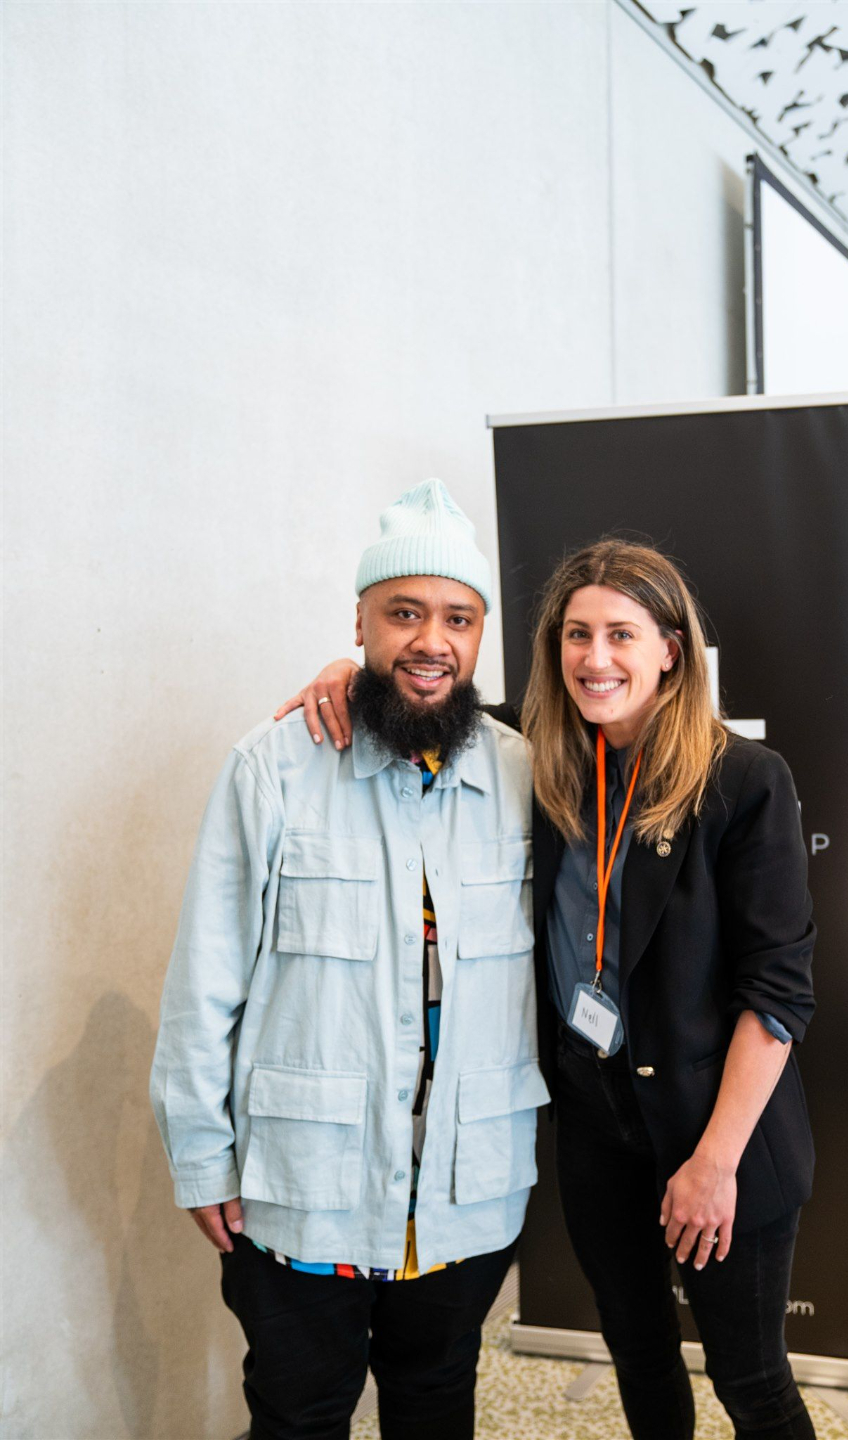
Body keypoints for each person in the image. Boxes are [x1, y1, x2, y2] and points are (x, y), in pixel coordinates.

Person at [282, 538, 817, 1440]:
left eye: (620, 634)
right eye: (576, 634)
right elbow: (424, 695)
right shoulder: (537, 754)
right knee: (638, 1351)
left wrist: (714, 1164)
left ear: (670, 651)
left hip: (717, 1130)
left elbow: (778, 995)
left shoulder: (743, 782)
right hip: (595, 1124)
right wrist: (349, 673)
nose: (595, 658)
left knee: (751, 1378)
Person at [150, 479, 549, 1440]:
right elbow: (205, 982)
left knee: (436, 1406)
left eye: (457, 618)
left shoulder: (528, 774)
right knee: (298, 1418)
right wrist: (200, 1158)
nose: (431, 641)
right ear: (360, 622)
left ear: (481, 637)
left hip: (465, 1196)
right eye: (403, 613)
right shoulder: (275, 766)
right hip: (305, 1196)